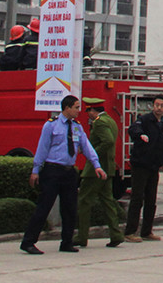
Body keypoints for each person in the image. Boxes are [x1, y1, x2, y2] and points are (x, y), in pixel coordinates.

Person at [20, 95, 106, 255]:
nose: (79, 111)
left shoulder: (76, 127)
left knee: (70, 209)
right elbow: (42, 148)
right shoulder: (51, 125)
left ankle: (66, 242)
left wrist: (97, 165)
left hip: (68, 171)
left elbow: (86, 146)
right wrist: (35, 170)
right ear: (67, 108)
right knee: (44, 207)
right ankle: (28, 242)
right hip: (52, 170)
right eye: (76, 107)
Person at [76, 96, 124, 249]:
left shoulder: (100, 123)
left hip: (96, 170)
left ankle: (81, 236)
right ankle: (116, 234)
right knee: (107, 202)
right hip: (108, 168)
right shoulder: (110, 120)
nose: (87, 114)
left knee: (84, 201)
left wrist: (93, 155)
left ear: (92, 110)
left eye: (88, 111)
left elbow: (108, 141)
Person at [125, 96, 163, 243]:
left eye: (162, 105)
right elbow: (133, 129)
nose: (159, 108)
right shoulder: (144, 120)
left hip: (153, 167)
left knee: (151, 200)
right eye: (157, 105)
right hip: (140, 165)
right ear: (152, 106)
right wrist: (140, 134)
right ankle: (130, 232)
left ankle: (147, 231)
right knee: (137, 199)